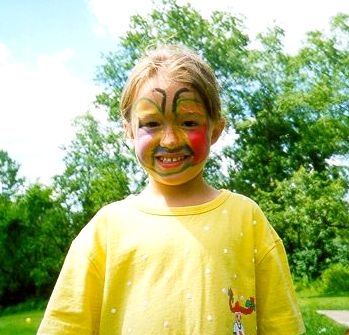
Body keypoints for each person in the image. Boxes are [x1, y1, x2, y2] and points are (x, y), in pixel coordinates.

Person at [37, 44, 305, 335]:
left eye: (189, 122)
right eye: (151, 123)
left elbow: (281, 324)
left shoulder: (246, 218)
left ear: (215, 130)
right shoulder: (106, 229)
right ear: (129, 131)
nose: (170, 139)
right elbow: (65, 326)